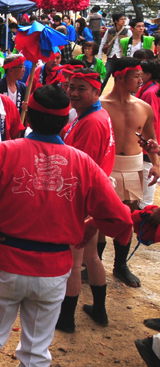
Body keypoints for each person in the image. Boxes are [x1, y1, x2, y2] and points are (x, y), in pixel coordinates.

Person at [0, 85, 133, 367]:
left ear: (28, 118)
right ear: (65, 123)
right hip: (53, 269)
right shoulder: (83, 163)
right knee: (37, 350)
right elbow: (121, 218)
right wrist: (92, 225)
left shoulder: (4, 152)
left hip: (7, 261)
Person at [53, 68, 116, 333]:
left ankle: (66, 319)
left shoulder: (91, 122)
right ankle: (99, 310)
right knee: (91, 257)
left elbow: (79, 169)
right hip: (95, 196)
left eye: (81, 88)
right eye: (71, 86)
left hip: (82, 201)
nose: (73, 92)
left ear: (96, 91)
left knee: (74, 261)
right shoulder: (93, 115)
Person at [100, 57, 160, 288]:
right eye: (136, 76)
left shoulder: (144, 107)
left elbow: (150, 139)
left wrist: (155, 163)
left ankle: (120, 264)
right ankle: (93, 262)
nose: (141, 80)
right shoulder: (100, 105)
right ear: (119, 77)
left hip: (133, 166)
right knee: (99, 216)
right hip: (107, 165)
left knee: (127, 218)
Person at [139, 60, 160, 208]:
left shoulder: (150, 92)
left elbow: (151, 120)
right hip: (152, 136)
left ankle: (146, 204)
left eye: (140, 74)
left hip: (150, 138)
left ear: (148, 74)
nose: (139, 77)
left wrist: (149, 139)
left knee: (147, 169)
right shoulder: (152, 88)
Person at [100, 12, 131, 90]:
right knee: (104, 77)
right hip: (111, 57)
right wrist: (100, 55)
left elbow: (130, 45)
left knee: (120, 79)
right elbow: (103, 42)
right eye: (121, 19)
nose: (123, 21)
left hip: (122, 58)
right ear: (116, 21)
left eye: (124, 19)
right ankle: (98, 94)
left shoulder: (127, 32)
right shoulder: (109, 31)